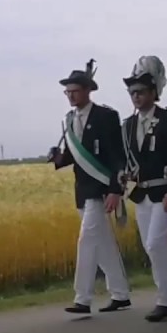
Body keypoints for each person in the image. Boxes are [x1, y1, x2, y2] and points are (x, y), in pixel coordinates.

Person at [47, 63, 131, 315]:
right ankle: (121, 294)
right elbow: (76, 156)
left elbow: (117, 155)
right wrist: (59, 158)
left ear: (87, 91)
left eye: (74, 91)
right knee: (102, 243)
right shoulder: (70, 120)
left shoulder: (106, 117)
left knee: (86, 240)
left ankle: (82, 298)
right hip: (82, 189)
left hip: (102, 188)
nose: (70, 96)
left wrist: (116, 189)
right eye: (67, 92)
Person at [120, 56, 167, 322]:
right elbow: (126, 157)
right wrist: (124, 173)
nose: (136, 97)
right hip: (142, 193)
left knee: (155, 242)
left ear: (154, 92)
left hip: (164, 191)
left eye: (142, 92)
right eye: (132, 92)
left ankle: (166, 299)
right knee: (152, 247)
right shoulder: (128, 126)